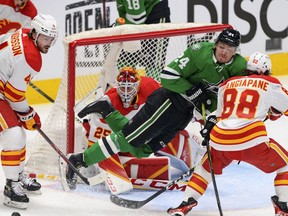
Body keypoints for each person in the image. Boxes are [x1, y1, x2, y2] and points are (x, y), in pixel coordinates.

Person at [66, 28, 247, 188]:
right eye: (222, 46)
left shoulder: (238, 67)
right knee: (126, 139)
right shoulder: (199, 53)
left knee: (141, 150)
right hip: (168, 102)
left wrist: (211, 120)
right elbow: (167, 75)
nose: (224, 52)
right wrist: (190, 90)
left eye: (229, 49)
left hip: (184, 115)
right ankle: (79, 160)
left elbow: (228, 98)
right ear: (216, 44)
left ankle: (108, 111)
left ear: (236, 51)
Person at [167, 52, 288, 216]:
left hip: (221, 138)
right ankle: (283, 205)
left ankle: (184, 204)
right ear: (266, 70)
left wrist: (208, 126)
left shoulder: (227, 84)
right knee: (285, 165)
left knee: (205, 168)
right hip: (252, 138)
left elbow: (218, 115)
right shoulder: (270, 83)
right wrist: (274, 113)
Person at [0, 14, 57, 209]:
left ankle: (17, 175)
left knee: (18, 133)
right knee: (14, 134)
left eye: (52, 39)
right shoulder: (31, 57)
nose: (48, 43)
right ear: (35, 33)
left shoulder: (24, 33)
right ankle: (11, 186)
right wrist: (29, 114)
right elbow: (13, 96)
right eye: (45, 38)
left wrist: (25, 114)